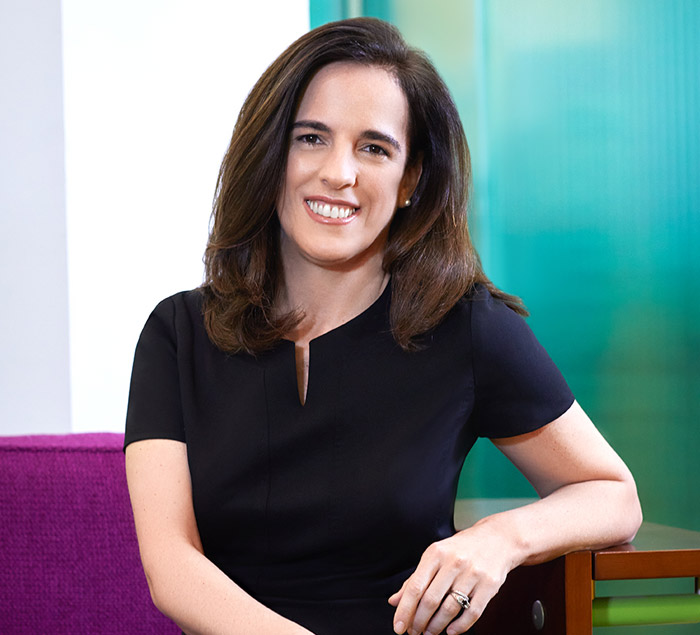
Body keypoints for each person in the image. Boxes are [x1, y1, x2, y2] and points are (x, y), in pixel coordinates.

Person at [124, 17, 642, 635]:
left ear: (410, 180)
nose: (339, 173)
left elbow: (613, 495)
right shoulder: (176, 333)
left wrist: (500, 538)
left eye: (374, 148)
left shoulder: (467, 326)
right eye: (311, 138)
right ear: (271, 154)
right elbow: (171, 567)